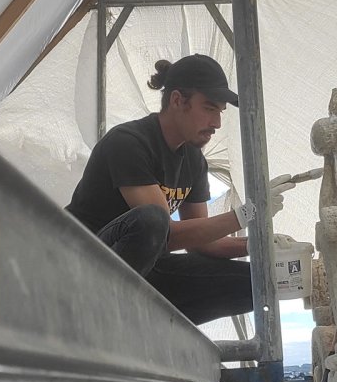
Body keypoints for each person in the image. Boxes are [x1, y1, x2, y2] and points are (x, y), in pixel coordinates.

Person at [65, 54, 293, 325]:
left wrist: (256, 245)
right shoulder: (128, 143)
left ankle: (143, 325)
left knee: (261, 283)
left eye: (220, 112)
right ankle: (100, 318)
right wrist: (248, 214)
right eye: (209, 108)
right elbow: (165, 235)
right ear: (177, 101)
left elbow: (201, 243)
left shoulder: (194, 161)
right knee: (152, 220)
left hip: (141, 275)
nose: (217, 123)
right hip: (85, 265)